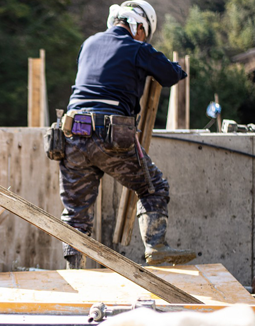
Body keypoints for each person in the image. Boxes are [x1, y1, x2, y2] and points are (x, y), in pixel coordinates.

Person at [57, 0, 197, 266]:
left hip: (72, 133)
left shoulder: (88, 44)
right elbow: (171, 75)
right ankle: (155, 246)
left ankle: (73, 272)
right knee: (153, 187)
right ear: (139, 28)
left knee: (75, 214)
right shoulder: (137, 48)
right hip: (110, 134)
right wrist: (175, 65)